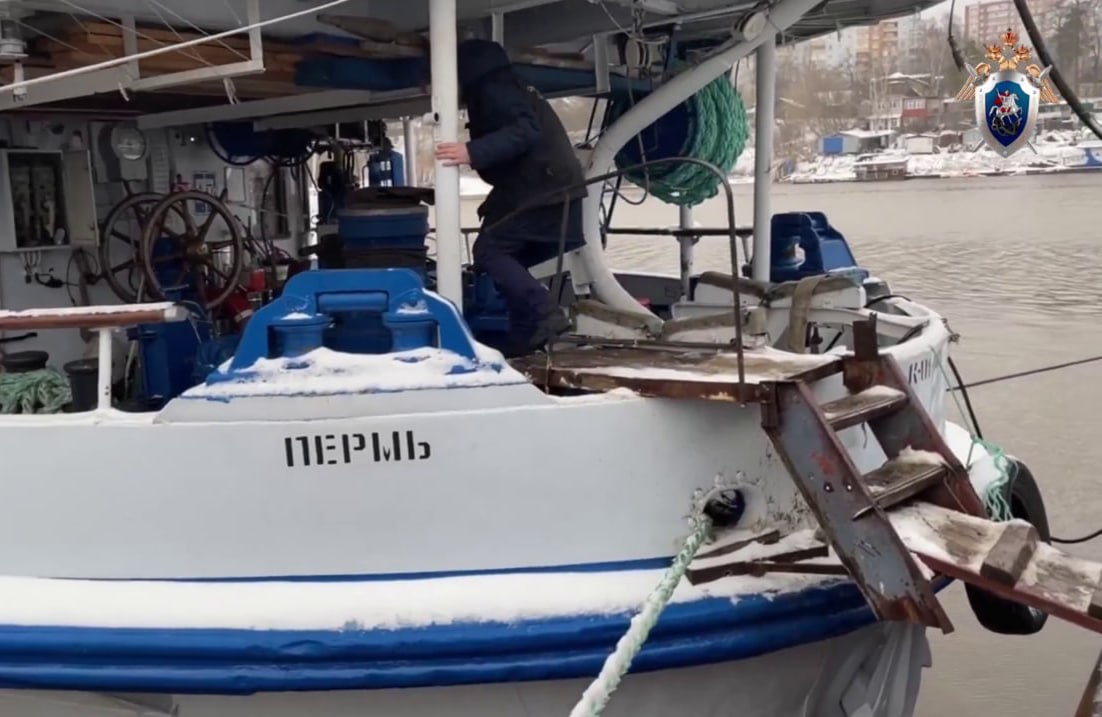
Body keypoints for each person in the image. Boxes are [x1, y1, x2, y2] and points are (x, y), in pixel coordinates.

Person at [435, 38, 586, 357]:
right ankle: (525, 331)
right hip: (550, 186)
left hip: (545, 188)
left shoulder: (493, 87)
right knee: (505, 256)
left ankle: (545, 313)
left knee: (490, 251)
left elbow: (526, 130)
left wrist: (471, 151)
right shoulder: (510, 83)